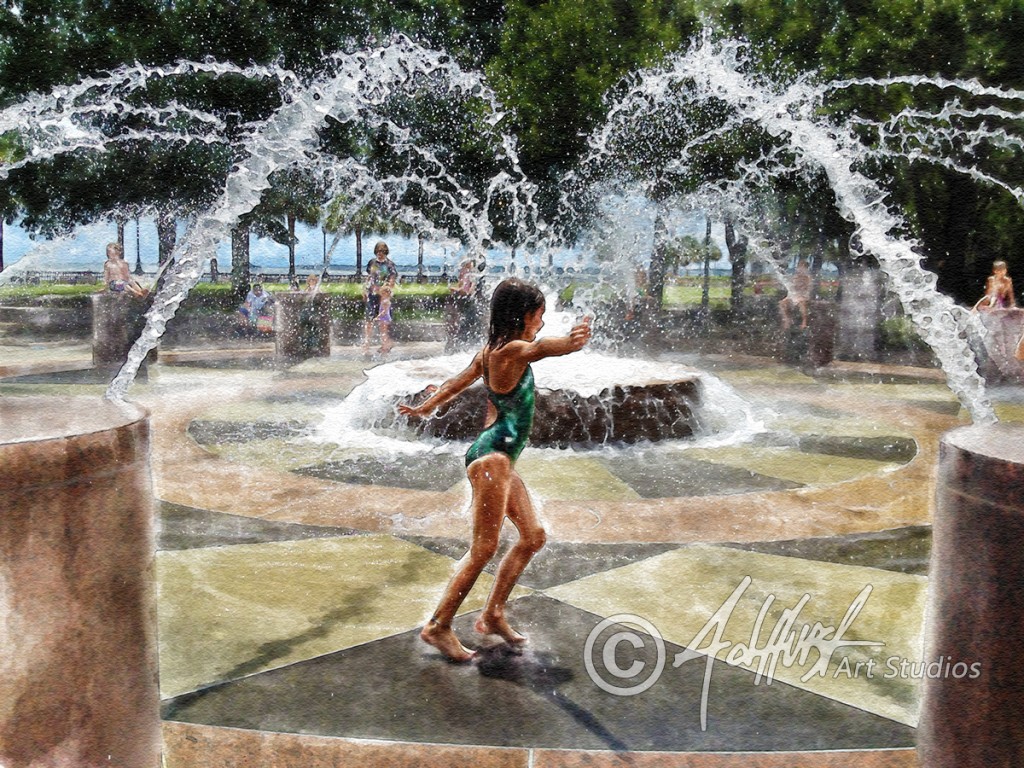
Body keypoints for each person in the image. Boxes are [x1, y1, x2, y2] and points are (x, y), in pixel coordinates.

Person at [399, 278, 592, 662]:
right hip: (492, 459)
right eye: (539, 315)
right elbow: (539, 348)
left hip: (499, 459)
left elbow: (458, 381)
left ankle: (493, 614)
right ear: (523, 316)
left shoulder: (490, 352)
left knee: (533, 536)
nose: (541, 321)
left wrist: (426, 407)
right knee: (483, 548)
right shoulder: (513, 351)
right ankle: (438, 626)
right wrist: (570, 344)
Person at [363, 241, 399, 353]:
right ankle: (366, 343)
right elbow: (369, 277)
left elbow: (392, 281)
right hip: (371, 294)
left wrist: (384, 290)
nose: (380, 253)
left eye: (382, 251)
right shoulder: (372, 263)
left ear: (386, 252)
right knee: (369, 319)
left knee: (383, 321)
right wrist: (364, 289)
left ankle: (385, 345)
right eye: (378, 251)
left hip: (383, 297)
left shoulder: (390, 265)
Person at [779, 259, 811, 330]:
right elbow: (791, 287)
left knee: (802, 303)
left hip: (802, 295)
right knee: (782, 303)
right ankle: (787, 319)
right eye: (800, 267)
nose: (800, 269)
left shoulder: (807, 277)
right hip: (793, 295)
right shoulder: (795, 276)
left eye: (803, 267)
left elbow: (807, 288)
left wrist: (801, 289)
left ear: (806, 269)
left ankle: (804, 321)